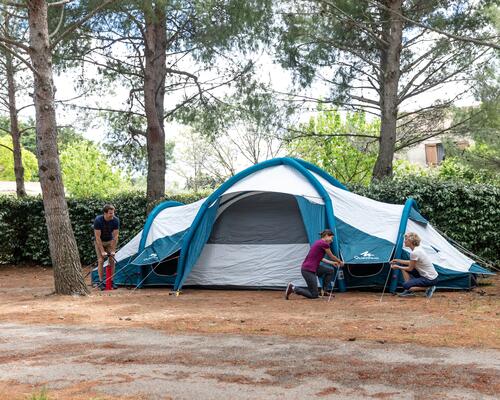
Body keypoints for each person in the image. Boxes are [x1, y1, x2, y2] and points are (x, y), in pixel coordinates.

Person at [285, 229, 344, 300]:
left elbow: (321, 258)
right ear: (326, 236)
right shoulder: (323, 243)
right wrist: (340, 261)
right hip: (308, 270)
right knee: (314, 295)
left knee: (330, 270)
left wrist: (332, 263)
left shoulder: (318, 243)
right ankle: (293, 288)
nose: (332, 240)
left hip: (314, 268)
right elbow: (331, 256)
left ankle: (324, 291)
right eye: (331, 238)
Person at [390, 232, 439, 298]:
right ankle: (408, 289)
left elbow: (410, 268)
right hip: (430, 276)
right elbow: (411, 263)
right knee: (404, 267)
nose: (404, 241)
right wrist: (398, 260)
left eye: (406, 239)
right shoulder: (418, 249)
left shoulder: (415, 252)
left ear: (411, 241)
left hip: (430, 279)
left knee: (405, 285)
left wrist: (398, 267)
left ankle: (428, 288)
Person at [94, 204, 120, 290]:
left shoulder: (115, 220)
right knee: (101, 260)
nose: (112, 215)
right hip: (100, 242)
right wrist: (102, 251)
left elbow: (115, 236)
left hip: (109, 241)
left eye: (113, 213)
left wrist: (112, 250)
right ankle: (101, 282)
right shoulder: (98, 220)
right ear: (105, 213)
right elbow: (97, 238)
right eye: (110, 213)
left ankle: (111, 281)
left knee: (112, 259)